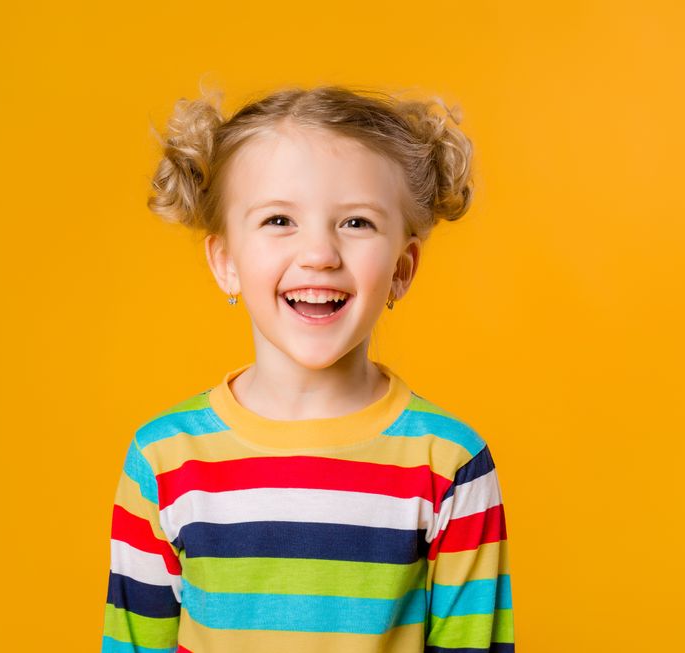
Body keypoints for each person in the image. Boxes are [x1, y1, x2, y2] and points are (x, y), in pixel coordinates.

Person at [100, 84, 514, 653]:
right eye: (278, 220)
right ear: (226, 263)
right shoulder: (164, 459)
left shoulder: (450, 464)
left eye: (356, 223)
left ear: (402, 268)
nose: (319, 253)